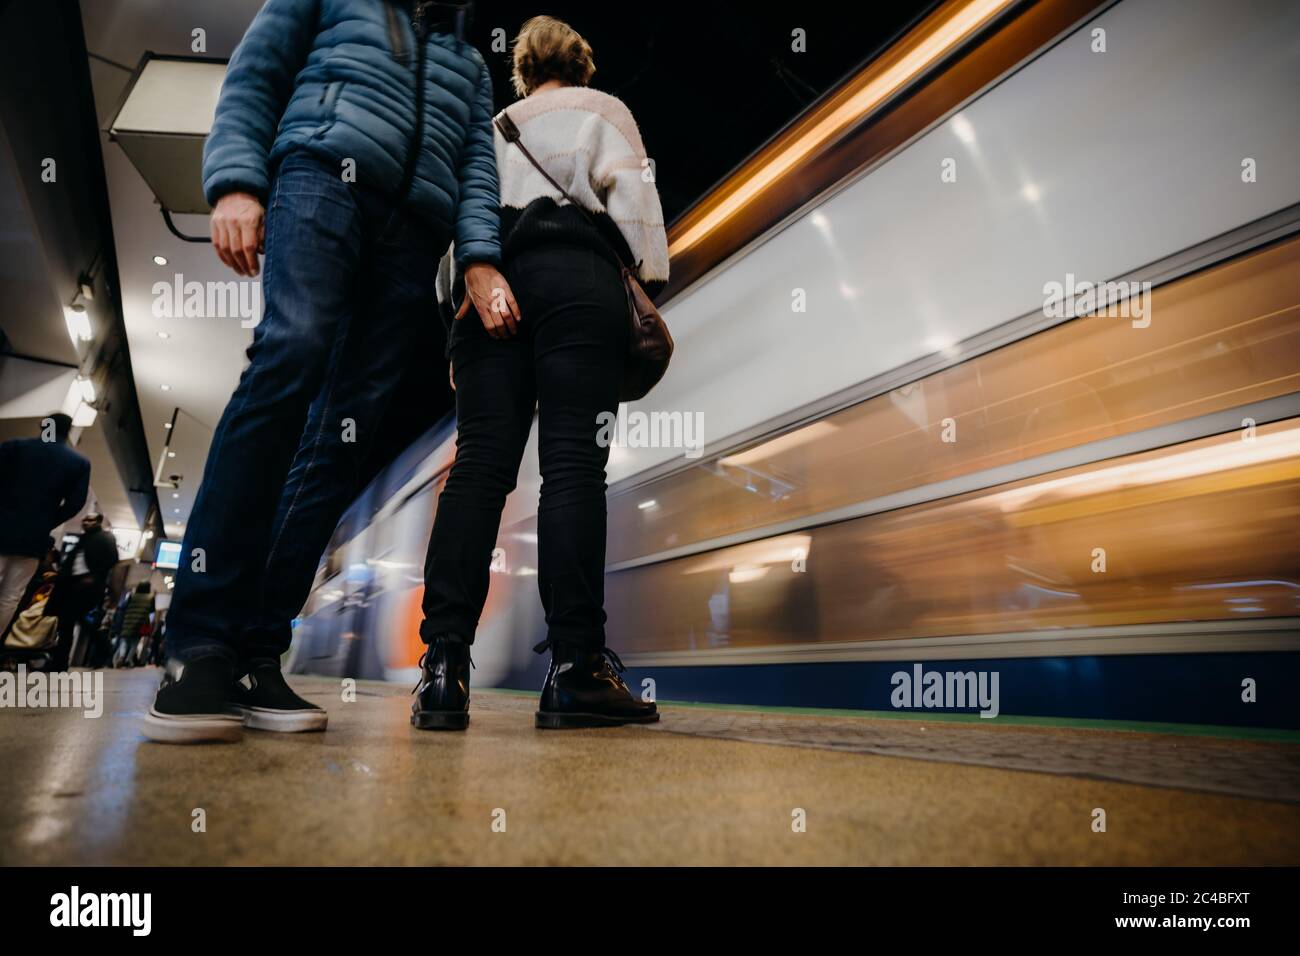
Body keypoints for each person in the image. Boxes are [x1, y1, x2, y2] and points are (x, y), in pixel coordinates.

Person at [144, 0, 514, 743]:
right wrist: (237, 180)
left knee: (343, 435)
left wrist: (478, 256)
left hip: (412, 233)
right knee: (291, 353)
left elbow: (478, 162)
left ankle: (255, 651)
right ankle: (197, 643)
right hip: (319, 179)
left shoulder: (470, 62)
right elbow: (258, 72)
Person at [413, 16, 669, 730]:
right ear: (581, 65)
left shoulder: (491, 124)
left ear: (523, 71)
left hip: (487, 287)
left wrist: (463, 317)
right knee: (572, 470)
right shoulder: (604, 110)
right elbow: (640, 217)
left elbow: (455, 230)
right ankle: (574, 671)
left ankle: (442, 670)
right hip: (577, 283)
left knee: (480, 470)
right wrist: (650, 283)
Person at [0, 414, 90, 640]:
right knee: (11, 596)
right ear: (69, 431)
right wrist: (46, 521)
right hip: (34, 538)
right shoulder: (78, 463)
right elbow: (74, 504)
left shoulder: (14, 447)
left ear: (43, 425)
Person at [47, 513, 119, 671]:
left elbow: (112, 559)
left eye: (90, 520)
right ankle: (60, 661)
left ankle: (102, 646)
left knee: (76, 620)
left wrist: (95, 576)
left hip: (87, 587)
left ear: (98, 522)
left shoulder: (104, 538)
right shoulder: (84, 539)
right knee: (67, 623)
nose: (86, 523)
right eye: (85, 520)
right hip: (72, 586)